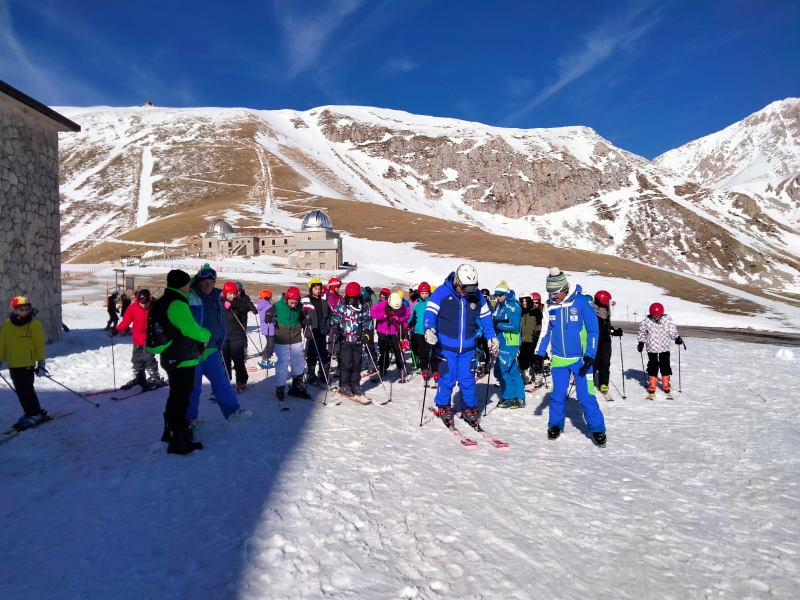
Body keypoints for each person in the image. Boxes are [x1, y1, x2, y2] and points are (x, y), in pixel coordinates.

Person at [535, 268, 606, 446]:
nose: (553, 296)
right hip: (559, 359)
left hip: (581, 360)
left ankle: (598, 429)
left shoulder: (582, 302)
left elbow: (593, 330)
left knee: (586, 396)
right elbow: (545, 332)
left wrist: (590, 355)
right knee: (557, 394)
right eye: (550, 292)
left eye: (556, 292)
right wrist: (539, 353)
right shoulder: (549, 306)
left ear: (565, 288)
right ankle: (555, 425)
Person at [424, 265, 498, 427]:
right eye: (464, 288)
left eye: (471, 289)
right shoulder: (441, 293)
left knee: (467, 379)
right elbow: (430, 313)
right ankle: (443, 405)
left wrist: (491, 337)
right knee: (447, 378)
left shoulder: (477, 296)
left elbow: (486, 318)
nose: (466, 292)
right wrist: (428, 328)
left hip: (468, 348)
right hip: (446, 347)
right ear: (457, 281)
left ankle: (469, 408)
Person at [147, 270, 210, 455]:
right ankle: (179, 441)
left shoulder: (165, 300)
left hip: (171, 356)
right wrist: (205, 335)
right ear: (182, 285)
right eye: (187, 283)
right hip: (182, 358)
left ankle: (170, 433)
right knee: (182, 399)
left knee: (175, 396)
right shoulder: (177, 303)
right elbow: (190, 329)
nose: (190, 286)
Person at [186, 265, 252, 429]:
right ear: (198, 281)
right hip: (193, 351)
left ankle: (232, 411)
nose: (208, 285)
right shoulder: (190, 297)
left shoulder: (216, 297)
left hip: (212, 349)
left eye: (211, 282)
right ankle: (189, 419)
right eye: (204, 282)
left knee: (222, 382)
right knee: (194, 388)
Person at [0, 296, 48, 429]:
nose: (24, 312)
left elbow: (39, 345)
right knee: (20, 390)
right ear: (14, 309)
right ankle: (29, 412)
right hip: (13, 362)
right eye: (21, 309)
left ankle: (36, 413)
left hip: (27, 362)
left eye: (27, 309)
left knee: (27, 389)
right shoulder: (8, 324)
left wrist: (41, 363)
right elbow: (2, 344)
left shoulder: (34, 324)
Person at [264, 287, 311, 403]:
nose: (293, 305)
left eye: (296, 303)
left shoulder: (299, 306)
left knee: (298, 360)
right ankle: (280, 387)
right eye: (291, 303)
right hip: (281, 337)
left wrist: (305, 321)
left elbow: (301, 317)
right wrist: (268, 316)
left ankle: (297, 385)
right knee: (283, 362)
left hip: (295, 336)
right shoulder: (278, 306)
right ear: (286, 299)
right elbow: (268, 313)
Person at [113, 289, 166, 390]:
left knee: (148, 359)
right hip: (137, 339)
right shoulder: (133, 308)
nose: (144, 305)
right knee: (136, 359)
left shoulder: (156, 308)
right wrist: (117, 330)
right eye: (141, 303)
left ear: (150, 299)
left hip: (150, 338)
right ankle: (139, 378)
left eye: (146, 303)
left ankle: (155, 378)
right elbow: (126, 321)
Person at [331, 282, 371, 397]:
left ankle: (355, 384)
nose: (352, 300)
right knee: (346, 363)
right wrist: (335, 326)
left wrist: (367, 333)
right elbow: (335, 317)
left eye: (354, 298)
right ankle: (344, 385)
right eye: (350, 298)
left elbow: (367, 320)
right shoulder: (342, 304)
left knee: (357, 363)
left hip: (358, 339)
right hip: (345, 339)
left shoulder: (363, 305)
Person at [637, 303, 682, 398]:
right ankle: (652, 383)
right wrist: (641, 342)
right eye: (654, 315)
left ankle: (665, 383)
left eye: (657, 315)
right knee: (653, 365)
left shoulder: (667, 320)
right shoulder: (646, 322)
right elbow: (642, 332)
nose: (656, 317)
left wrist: (676, 338)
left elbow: (672, 331)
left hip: (664, 347)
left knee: (665, 364)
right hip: (652, 347)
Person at [492, 281, 525, 408]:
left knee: (501, 371)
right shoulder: (500, 305)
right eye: (495, 295)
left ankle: (509, 398)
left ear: (506, 293)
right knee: (512, 371)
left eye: (500, 294)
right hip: (503, 342)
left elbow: (514, 325)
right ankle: (520, 398)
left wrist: (498, 325)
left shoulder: (513, 305)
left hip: (509, 342)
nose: (498, 297)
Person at [221, 281, 257, 392]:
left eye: (234, 293)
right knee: (224, 362)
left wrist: (233, 304)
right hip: (223, 336)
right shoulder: (219, 303)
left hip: (238, 336)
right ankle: (224, 383)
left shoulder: (240, 302)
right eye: (229, 294)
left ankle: (241, 381)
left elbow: (246, 308)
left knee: (238, 361)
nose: (232, 296)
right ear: (225, 293)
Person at [371, 292, 410, 382]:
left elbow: (407, 314)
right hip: (382, 331)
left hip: (395, 331)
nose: (395, 310)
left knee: (398, 350)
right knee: (383, 351)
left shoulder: (402, 306)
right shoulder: (382, 305)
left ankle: (401, 368)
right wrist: (382, 316)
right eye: (393, 308)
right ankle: (383, 368)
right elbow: (372, 311)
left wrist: (399, 318)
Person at [593, 290, 623, 396]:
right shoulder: (592, 311)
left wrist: (614, 331)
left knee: (605, 363)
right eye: (607, 301)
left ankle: (603, 383)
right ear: (603, 300)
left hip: (606, 341)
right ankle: (588, 382)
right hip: (594, 341)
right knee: (594, 363)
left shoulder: (606, 311)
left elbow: (607, 326)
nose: (608, 303)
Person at [407, 282, 439, 386]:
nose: (424, 295)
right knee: (422, 351)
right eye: (422, 293)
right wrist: (406, 324)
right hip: (418, 332)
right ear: (419, 293)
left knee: (432, 351)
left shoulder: (433, 304)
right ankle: (424, 369)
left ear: (429, 293)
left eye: (426, 293)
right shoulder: (416, 306)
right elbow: (412, 317)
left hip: (430, 331)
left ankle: (435, 371)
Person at [302, 278, 332, 386]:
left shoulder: (324, 299)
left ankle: (322, 373)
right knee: (312, 352)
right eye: (315, 289)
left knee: (323, 351)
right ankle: (310, 373)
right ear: (311, 289)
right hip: (312, 329)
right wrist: (305, 320)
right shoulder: (306, 300)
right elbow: (302, 315)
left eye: (319, 288)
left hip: (322, 328)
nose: (318, 291)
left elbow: (329, 313)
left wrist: (328, 325)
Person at [517, 291, 542, 386]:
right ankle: (524, 376)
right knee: (523, 359)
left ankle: (538, 376)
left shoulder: (536, 312)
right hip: (522, 340)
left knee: (535, 359)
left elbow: (539, 324)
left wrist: (537, 333)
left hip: (533, 339)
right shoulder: (519, 311)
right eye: (522, 300)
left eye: (526, 300)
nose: (524, 303)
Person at [257, 289, 275, 369]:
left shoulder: (262, 304)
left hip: (265, 327)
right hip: (270, 327)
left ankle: (265, 357)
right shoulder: (268, 306)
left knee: (269, 344)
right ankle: (265, 360)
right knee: (271, 345)